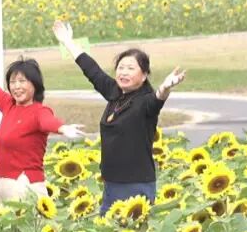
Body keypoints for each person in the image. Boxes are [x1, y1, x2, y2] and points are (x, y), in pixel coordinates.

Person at [52, 20, 186, 214]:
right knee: (107, 229)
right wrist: (67, 41)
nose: (124, 72)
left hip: (136, 185)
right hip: (111, 183)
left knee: (131, 231)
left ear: (144, 75)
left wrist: (165, 88)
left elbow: (157, 99)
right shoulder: (115, 92)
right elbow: (91, 69)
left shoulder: (145, 102)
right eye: (121, 67)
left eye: (130, 68)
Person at [0, 47, 83, 203]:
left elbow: (47, 121)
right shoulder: (9, 105)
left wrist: (62, 128)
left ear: (35, 84)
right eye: (12, 82)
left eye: (22, 81)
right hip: (3, 184)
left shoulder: (39, 111)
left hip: (25, 184)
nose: (16, 86)